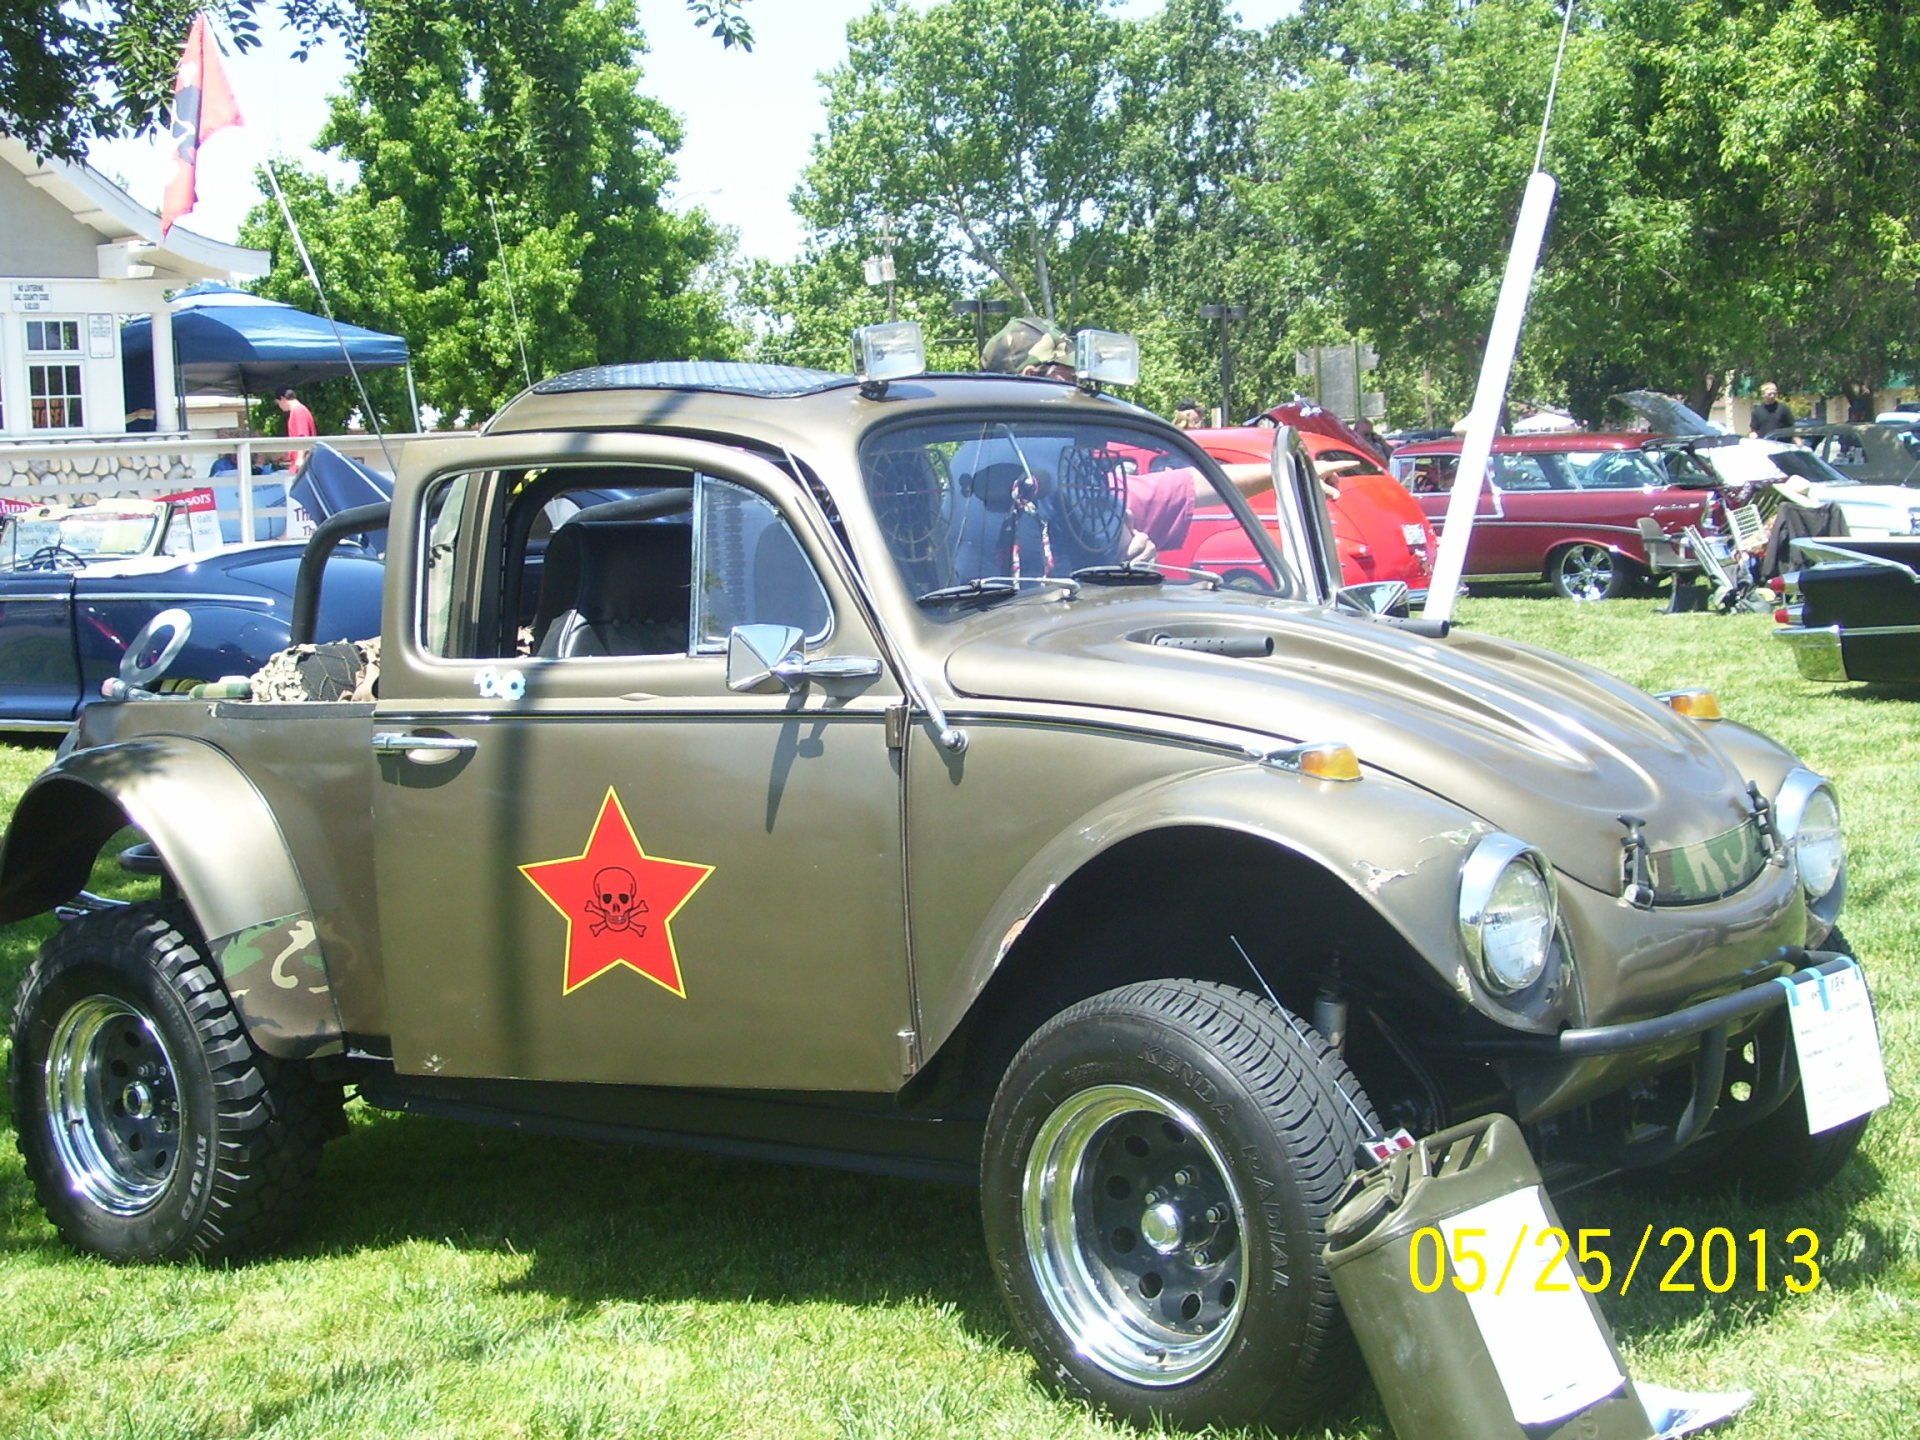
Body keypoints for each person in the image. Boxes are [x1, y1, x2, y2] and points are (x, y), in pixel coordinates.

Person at [275, 386, 317, 469]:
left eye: (278, 403)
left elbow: (303, 436)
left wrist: (300, 459)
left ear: (282, 399)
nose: (279, 406)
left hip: (302, 464)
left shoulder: (298, 410)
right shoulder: (300, 410)